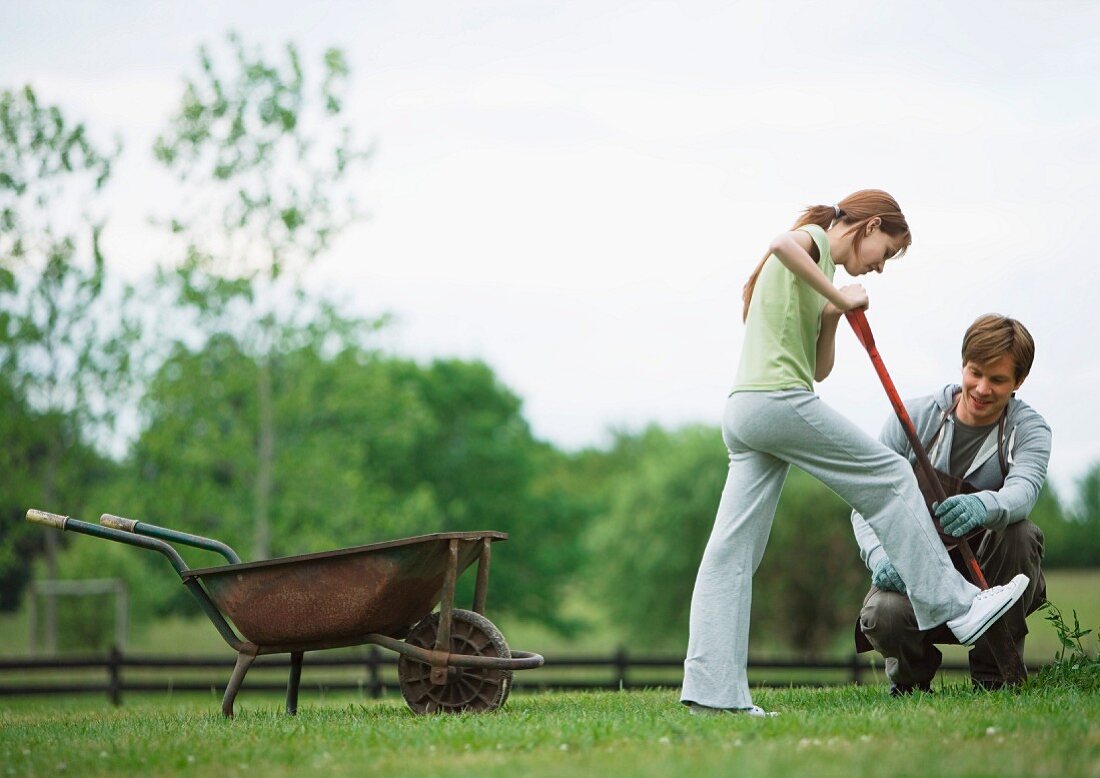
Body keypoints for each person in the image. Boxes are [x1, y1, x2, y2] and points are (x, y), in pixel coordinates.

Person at [680, 190, 1029, 717]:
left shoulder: (817, 269)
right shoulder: (812, 242)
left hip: (748, 413)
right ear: (868, 226)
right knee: (891, 473)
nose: (880, 268)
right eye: (884, 253)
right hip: (775, 402)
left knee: (731, 555)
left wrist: (831, 313)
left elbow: (819, 370)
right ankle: (956, 605)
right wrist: (840, 296)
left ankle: (713, 695)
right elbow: (781, 242)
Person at [852, 314, 1051, 694]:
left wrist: (984, 506)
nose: (981, 389)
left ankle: (994, 679)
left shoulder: (1029, 430)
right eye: (975, 373)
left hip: (990, 579)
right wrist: (879, 556)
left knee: (1020, 533)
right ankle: (910, 684)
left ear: (1019, 382)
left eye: (997, 380)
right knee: (883, 614)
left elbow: (1024, 491)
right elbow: (867, 501)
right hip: (917, 571)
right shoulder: (911, 419)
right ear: (963, 364)